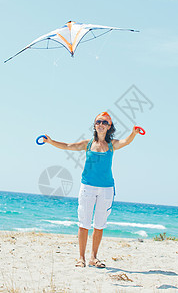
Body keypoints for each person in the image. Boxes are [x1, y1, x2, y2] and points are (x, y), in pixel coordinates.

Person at [43, 112, 141, 268]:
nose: (101, 124)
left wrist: (133, 133)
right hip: (88, 186)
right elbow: (68, 146)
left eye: (105, 122)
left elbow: (126, 141)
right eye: (98, 122)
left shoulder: (112, 145)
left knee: (99, 225)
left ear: (109, 127)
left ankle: (93, 257)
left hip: (107, 189)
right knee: (84, 223)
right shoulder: (87, 144)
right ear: (95, 125)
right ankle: (81, 258)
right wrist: (50, 141)